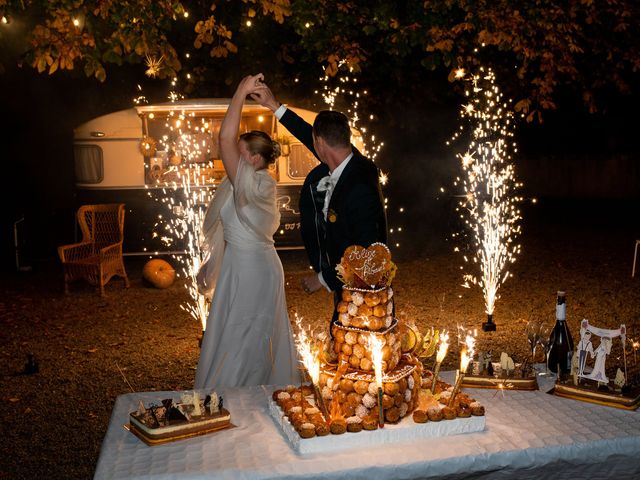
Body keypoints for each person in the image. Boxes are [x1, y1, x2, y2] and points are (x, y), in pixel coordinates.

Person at [194, 74, 299, 390]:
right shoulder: (236, 184)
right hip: (237, 269)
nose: (231, 158)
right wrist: (212, 266)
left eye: (240, 154)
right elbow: (231, 231)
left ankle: (242, 399)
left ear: (254, 159)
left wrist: (240, 91)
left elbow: (224, 140)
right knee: (233, 333)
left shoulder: (257, 184)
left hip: (255, 271)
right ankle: (238, 398)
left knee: (248, 336)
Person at [251, 83, 387, 323]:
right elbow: (307, 133)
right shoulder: (351, 160)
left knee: (352, 351)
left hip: (365, 296)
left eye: (314, 141)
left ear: (321, 144)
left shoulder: (360, 189)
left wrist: (323, 279)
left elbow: (368, 257)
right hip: (346, 287)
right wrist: (273, 105)